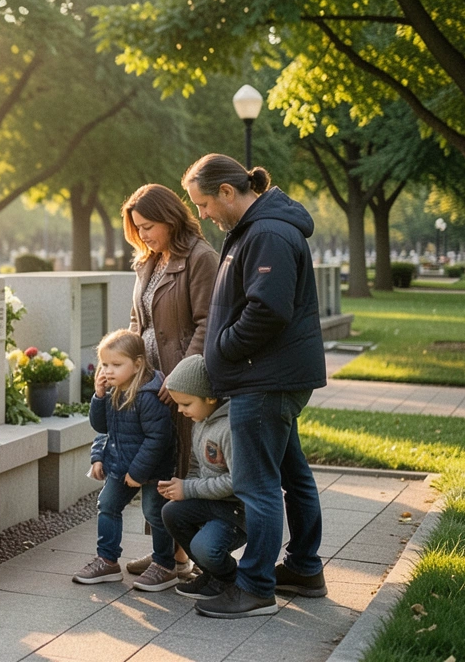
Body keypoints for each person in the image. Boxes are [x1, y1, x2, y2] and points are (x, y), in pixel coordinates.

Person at [182, 153, 327, 619]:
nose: (202, 214)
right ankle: (304, 569)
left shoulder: (266, 232)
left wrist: (222, 347)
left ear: (227, 191)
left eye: (203, 203)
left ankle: (256, 587)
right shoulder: (256, 229)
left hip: (264, 379)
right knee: (292, 474)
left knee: (257, 484)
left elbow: (268, 309)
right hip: (270, 375)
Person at [120, 183, 219, 579]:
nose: (142, 235)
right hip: (149, 380)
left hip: (181, 383)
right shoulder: (149, 261)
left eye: (147, 226)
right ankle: (170, 555)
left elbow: (207, 322)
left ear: (169, 217)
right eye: (137, 228)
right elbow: (136, 320)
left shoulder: (200, 257)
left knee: (180, 465)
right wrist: (126, 365)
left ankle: (177, 558)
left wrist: (180, 378)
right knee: (159, 464)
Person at [73, 330, 178, 591]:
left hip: (153, 469)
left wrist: (139, 472)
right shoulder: (114, 391)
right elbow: (102, 427)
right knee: (107, 504)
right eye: (105, 364)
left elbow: (158, 438)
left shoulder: (148, 396)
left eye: (116, 365)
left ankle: (165, 565)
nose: (108, 370)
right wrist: (98, 396)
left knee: (154, 513)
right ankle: (107, 560)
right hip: (121, 467)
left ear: (138, 364)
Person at [157, 354, 246, 601]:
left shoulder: (228, 428)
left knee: (203, 547)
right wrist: (182, 490)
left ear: (209, 397)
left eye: (185, 403)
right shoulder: (201, 421)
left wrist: (190, 489)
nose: (180, 410)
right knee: (171, 512)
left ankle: (230, 578)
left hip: (235, 512)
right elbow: (195, 467)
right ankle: (212, 573)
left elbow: (236, 481)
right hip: (211, 503)